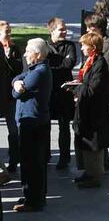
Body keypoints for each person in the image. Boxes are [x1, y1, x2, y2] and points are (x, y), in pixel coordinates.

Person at [12, 38, 52, 212]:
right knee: (35, 162)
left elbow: (16, 94)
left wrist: (16, 86)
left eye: (28, 51)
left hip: (32, 122)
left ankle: (33, 200)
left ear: (38, 54)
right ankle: (34, 196)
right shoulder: (36, 70)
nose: (25, 54)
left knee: (31, 163)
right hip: (35, 121)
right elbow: (17, 79)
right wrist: (16, 83)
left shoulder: (38, 72)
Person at [72, 33, 109, 188]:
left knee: (94, 145)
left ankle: (95, 176)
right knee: (87, 143)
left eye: (84, 45)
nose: (82, 48)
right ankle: (88, 172)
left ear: (93, 48)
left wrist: (78, 88)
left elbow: (93, 88)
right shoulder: (90, 61)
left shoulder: (100, 63)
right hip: (87, 110)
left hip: (96, 112)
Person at [46, 18, 77, 170]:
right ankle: (45, 154)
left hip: (65, 91)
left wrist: (53, 65)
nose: (65, 31)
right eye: (61, 29)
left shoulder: (70, 46)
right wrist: (60, 64)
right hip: (48, 91)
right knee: (45, 124)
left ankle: (64, 157)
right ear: (52, 31)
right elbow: (45, 65)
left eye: (65, 29)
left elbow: (70, 64)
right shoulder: (44, 46)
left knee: (64, 125)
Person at [0, 21, 23, 173]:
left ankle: (13, 160)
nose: (8, 34)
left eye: (9, 31)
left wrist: (9, 58)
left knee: (13, 130)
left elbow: (19, 69)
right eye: (5, 32)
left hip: (10, 96)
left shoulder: (14, 49)